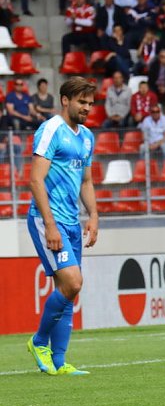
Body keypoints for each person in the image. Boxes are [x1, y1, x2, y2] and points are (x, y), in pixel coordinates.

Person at [26, 77, 98, 376]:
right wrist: (51, 226)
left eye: (90, 103)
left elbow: (87, 180)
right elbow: (35, 179)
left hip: (72, 221)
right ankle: (38, 341)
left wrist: (93, 216)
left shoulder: (86, 137)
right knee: (73, 283)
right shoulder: (51, 130)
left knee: (68, 291)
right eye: (82, 102)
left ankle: (59, 362)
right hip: (47, 220)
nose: (87, 108)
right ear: (65, 100)